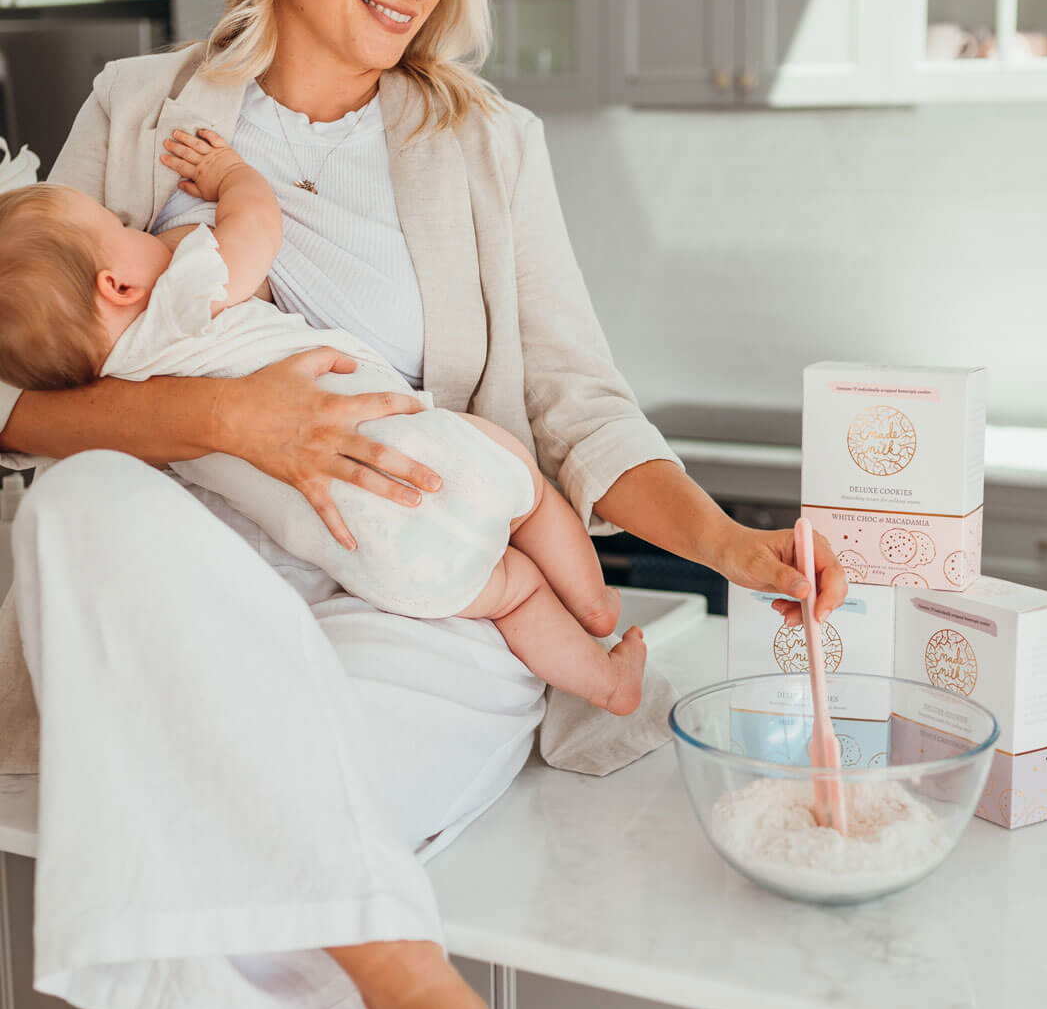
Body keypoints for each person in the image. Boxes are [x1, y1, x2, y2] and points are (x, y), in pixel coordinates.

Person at [0, 0, 846, 1009]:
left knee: (233, 873)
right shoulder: (142, 108)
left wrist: (740, 551)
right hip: (194, 598)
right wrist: (225, 420)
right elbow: (20, 402)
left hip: (425, 605)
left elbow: (578, 409)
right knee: (83, 502)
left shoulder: (484, 144)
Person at [0, 143, 647, 714]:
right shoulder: (181, 297)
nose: (134, 225)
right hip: (435, 456)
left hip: (383, 564)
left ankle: (603, 683)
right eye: (117, 227)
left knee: (513, 597)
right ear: (116, 284)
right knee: (527, 489)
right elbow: (256, 228)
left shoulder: (109, 395)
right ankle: (593, 605)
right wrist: (230, 175)